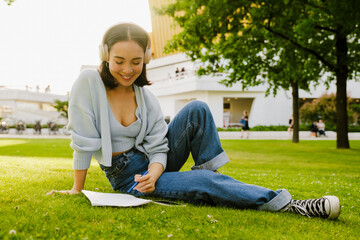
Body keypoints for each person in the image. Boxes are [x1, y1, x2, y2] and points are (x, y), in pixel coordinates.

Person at [47, 22, 340, 220]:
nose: (127, 69)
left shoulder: (145, 97)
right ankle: (289, 204)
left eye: (136, 62)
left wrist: (157, 169)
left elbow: (159, 146)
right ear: (105, 55)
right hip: (129, 178)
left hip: (153, 164)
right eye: (119, 61)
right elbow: (83, 141)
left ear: (146, 58)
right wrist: (76, 188)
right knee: (204, 181)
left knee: (197, 109)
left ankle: (213, 183)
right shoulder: (89, 82)